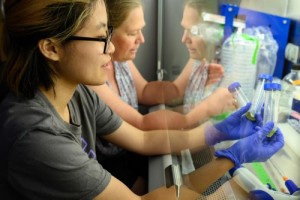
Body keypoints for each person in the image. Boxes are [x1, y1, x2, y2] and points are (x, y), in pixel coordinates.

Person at [0, 0, 284, 200]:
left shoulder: (78, 93)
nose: (110, 48)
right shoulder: (36, 137)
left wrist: (216, 132)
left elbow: (145, 140)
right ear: (51, 48)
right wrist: (231, 158)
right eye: (101, 37)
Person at [89, 0, 232, 193]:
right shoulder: (92, 77)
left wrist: (197, 58)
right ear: (107, 33)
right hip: (111, 168)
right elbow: (142, 124)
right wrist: (204, 110)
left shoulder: (120, 60)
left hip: (130, 154)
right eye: (132, 33)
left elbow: (146, 91)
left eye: (141, 30)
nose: (142, 39)